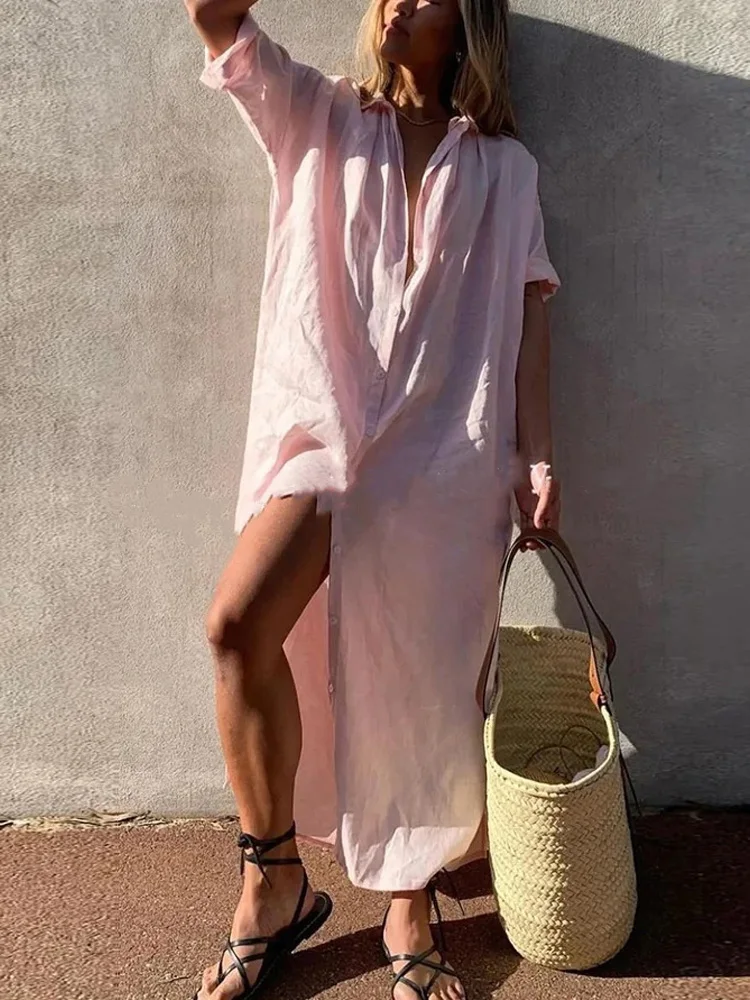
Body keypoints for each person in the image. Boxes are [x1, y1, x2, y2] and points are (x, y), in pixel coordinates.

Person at [183, 0, 561, 997]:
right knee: (236, 627)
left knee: (424, 681)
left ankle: (410, 896)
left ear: (467, 20)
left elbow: (530, 316)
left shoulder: (506, 170)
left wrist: (537, 458)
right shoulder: (318, 115)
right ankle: (273, 878)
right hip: (324, 441)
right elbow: (215, 20)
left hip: (444, 458)